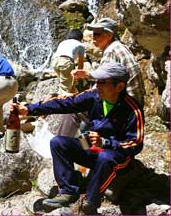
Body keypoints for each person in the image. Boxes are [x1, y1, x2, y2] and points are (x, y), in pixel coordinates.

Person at [11, 62, 144, 214]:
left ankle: (89, 202)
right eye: (96, 81)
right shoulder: (94, 96)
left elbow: (136, 143)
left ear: (119, 87)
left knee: (106, 157)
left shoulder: (133, 110)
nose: (97, 85)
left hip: (115, 158)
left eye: (102, 82)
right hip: (93, 151)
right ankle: (68, 192)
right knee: (58, 143)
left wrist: (107, 143)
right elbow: (64, 103)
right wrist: (28, 109)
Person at [58, 17, 146, 138]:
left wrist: (75, 97)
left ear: (109, 35)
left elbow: (99, 88)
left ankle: (62, 146)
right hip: (132, 106)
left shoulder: (111, 51)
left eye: (97, 34)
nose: (93, 37)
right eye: (93, 34)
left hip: (123, 110)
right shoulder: (119, 47)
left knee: (74, 110)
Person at [52, 28, 85, 95]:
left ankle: (72, 93)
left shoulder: (63, 42)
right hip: (65, 62)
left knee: (67, 82)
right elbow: (80, 63)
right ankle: (63, 101)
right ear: (80, 39)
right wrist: (80, 75)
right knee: (65, 89)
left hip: (55, 62)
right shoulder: (80, 45)